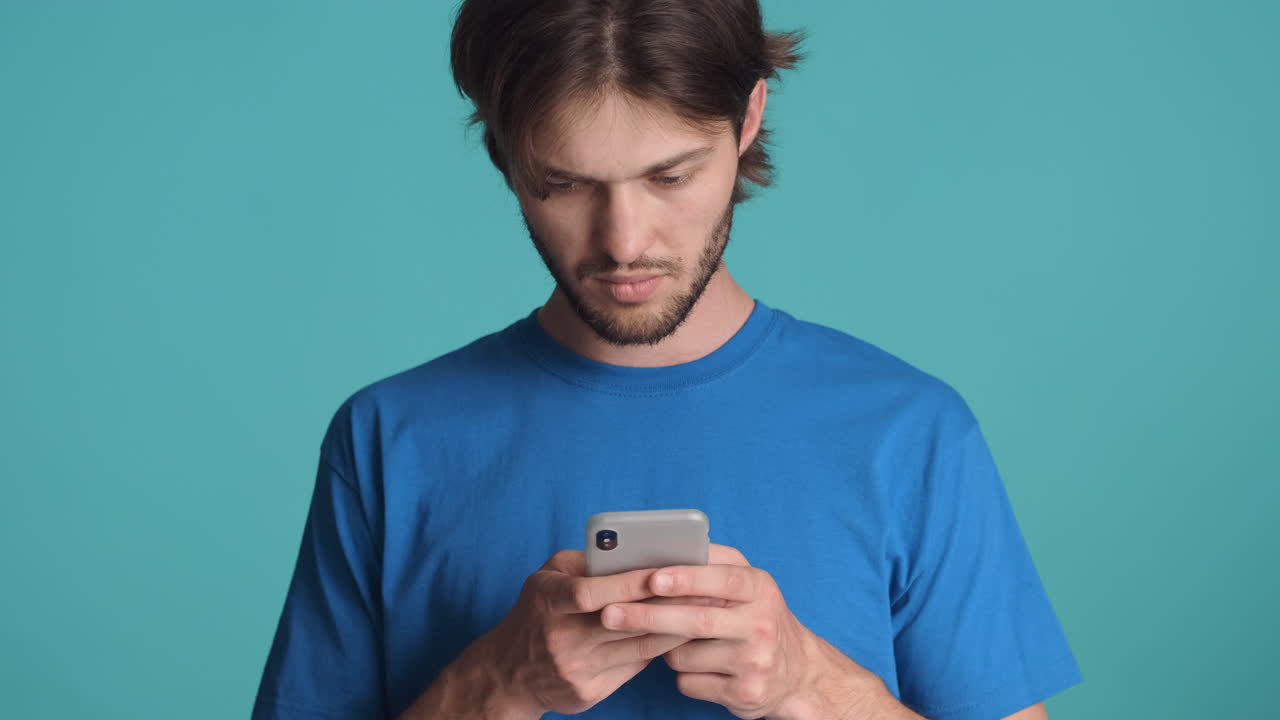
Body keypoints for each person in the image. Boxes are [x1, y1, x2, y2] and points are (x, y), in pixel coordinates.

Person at [251, 1, 1083, 718]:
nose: (625, 243)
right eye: (566, 184)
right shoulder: (388, 440)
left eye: (671, 176)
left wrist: (807, 683)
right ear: (506, 157)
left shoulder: (911, 433)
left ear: (749, 118)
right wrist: (500, 682)